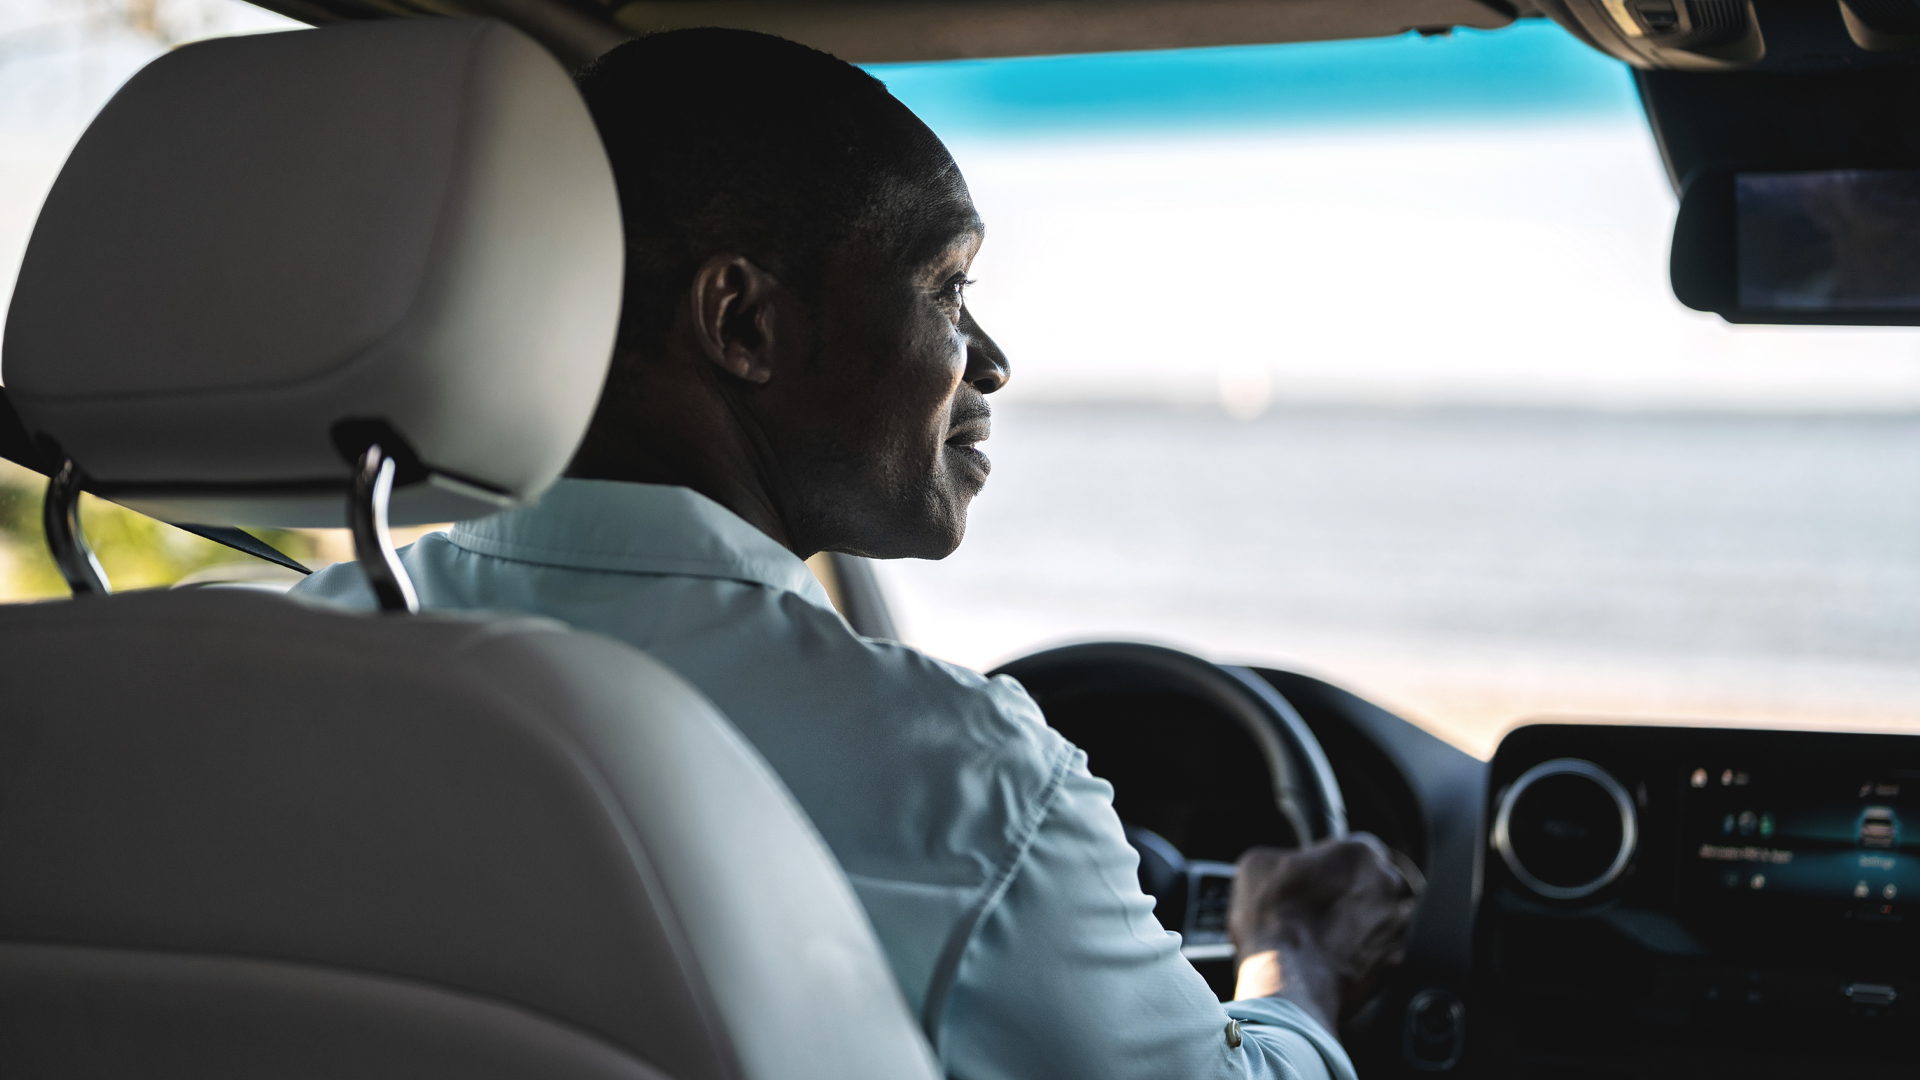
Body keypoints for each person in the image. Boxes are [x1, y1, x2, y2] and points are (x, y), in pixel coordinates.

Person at [294, 28, 1413, 1079]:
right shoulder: (957, 780)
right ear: (742, 325)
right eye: (947, 289)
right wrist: (1295, 953)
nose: (993, 361)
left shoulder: (275, 659)